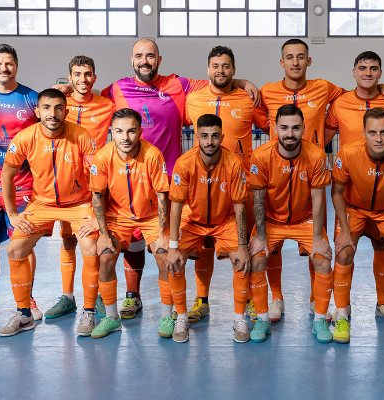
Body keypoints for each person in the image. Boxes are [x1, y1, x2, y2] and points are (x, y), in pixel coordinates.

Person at [91, 39, 258, 319]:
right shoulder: (117, 88)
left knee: (177, 244)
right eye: (139, 56)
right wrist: (69, 88)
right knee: (132, 238)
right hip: (131, 179)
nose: (145, 61)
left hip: (171, 183)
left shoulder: (179, 85)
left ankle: (184, 308)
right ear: (132, 60)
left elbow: (217, 79)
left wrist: (244, 81)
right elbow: (92, 95)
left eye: (150, 56)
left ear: (159, 59)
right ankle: (132, 296)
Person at [259, 39, 384, 321]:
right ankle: (276, 298)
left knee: (317, 243)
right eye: (289, 57)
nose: (295, 62)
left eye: (301, 56)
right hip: (277, 176)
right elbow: (255, 113)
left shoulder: (324, 88)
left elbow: (358, 90)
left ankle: (315, 300)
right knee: (272, 243)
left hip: (313, 176)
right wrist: (242, 81)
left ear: (309, 61)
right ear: (281, 62)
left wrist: (381, 86)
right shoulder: (266, 91)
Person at [0, 88, 99, 337]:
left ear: (66, 111)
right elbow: (7, 175)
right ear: (37, 111)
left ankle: (88, 311)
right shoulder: (25, 137)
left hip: (78, 203)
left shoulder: (81, 135)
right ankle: (24, 314)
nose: (52, 113)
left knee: (90, 247)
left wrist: (98, 216)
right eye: (46, 108)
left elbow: (99, 176)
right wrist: (12, 214)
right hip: (42, 204)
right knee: (15, 250)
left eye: (58, 108)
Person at [182, 45, 268, 322]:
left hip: (242, 188)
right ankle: (202, 300)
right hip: (203, 186)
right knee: (205, 244)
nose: (221, 71)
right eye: (216, 66)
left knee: (246, 245)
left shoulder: (248, 99)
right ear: (208, 70)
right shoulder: (193, 99)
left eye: (226, 66)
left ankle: (250, 301)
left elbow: (273, 127)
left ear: (234, 69)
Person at [324, 51, 384, 323]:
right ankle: (342, 310)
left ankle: (383, 303)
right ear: (354, 72)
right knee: (344, 250)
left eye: (373, 69)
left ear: (381, 72)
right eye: (362, 68)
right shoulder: (340, 103)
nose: (368, 73)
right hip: (351, 196)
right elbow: (321, 138)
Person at [248, 104, 333, 343]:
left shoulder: (316, 156)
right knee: (257, 259)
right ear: (275, 129)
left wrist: (318, 238)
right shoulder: (261, 156)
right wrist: (261, 237)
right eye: (284, 128)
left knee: (323, 259)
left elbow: (319, 200)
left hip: (304, 219)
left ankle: (319, 320)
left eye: (295, 128)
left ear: (304, 129)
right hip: (271, 219)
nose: (290, 133)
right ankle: (262, 319)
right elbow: (258, 200)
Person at [331, 107, 384, 343]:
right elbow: (336, 192)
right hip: (354, 208)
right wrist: (344, 230)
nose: (378, 138)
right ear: (364, 133)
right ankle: (342, 315)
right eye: (372, 132)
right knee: (343, 252)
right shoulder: (348, 152)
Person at [166, 114, 251, 343]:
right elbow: (176, 207)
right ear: (197, 137)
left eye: (214, 136)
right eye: (204, 136)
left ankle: (239, 318)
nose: (210, 141)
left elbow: (240, 206)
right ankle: (182, 317)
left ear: (222, 137)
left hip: (224, 221)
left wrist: (243, 246)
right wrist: (173, 246)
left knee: (242, 262)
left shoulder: (234, 163)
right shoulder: (184, 163)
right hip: (192, 222)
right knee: (174, 263)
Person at [0, 44, 41, 324]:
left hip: (23, 188)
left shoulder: (31, 99)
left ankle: (27, 299)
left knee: (23, 247)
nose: (4, 68)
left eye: (9, 63)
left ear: (16, 66)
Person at [45, 55, 115, 320]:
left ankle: (97, 295)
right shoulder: (61, 104)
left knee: (94, 244)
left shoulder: (107, 104)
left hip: (94, 188)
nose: (83, 79)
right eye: (77, 74)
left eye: (87, 74)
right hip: (65, 185)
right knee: (67, 242)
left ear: (94, 77)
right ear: (70, 77)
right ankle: (68, 297)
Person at [89, 108, 170, 338]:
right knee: (105, 255)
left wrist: (163, 232)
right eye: (119, 131)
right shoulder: (103, 157)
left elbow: (162, 195)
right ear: (111, 132)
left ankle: (167, 316)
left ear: (140, 132)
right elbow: (97, 196)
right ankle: (112, 318)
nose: (125, 137)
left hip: (151, 215)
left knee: (164, 257)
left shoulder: (153, 155)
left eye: (131, 131)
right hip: (119, 216)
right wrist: (103, 234)